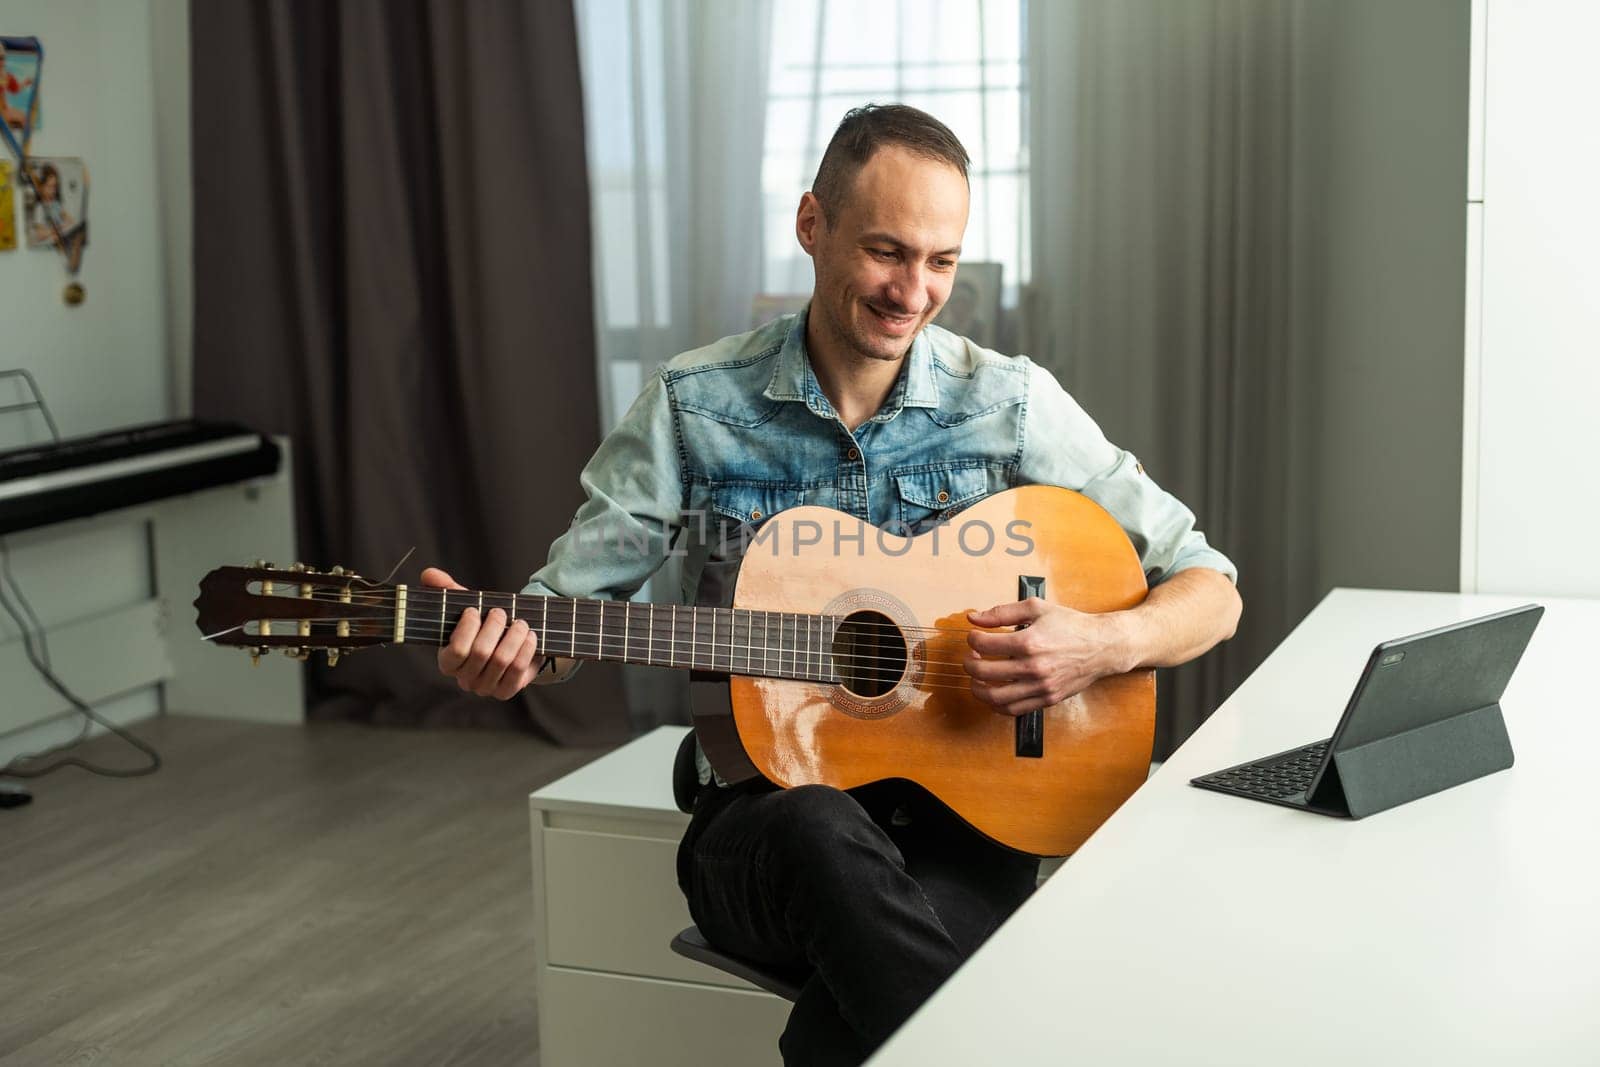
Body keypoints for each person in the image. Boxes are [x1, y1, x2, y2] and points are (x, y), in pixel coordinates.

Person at [428, 104, 1241, 1065]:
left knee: (844, 1036)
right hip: (762, 827)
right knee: (819, 827)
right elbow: (572, 607)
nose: (915, 290)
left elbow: (1209, 585)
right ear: (812, 224)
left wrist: (1099, 644)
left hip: (968, 827)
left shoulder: (1010, 405)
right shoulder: (695, 407)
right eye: (888, 251)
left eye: (942, 260)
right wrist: (517, 654)